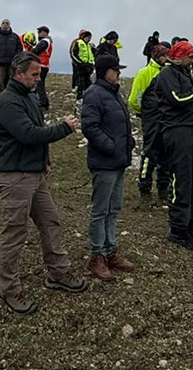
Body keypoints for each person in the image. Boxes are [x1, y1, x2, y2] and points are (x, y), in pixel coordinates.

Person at [0, 51, 87, 313]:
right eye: (33, 74)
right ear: (18, 73)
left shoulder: (29, 97)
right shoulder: (9, 102)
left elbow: (35, 133)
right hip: (16, 177)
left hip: (34, 174)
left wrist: (44, 160)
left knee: (51, 221)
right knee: (15, 232)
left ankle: (58, 273)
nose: (38, 78)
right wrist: (64, 128)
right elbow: (28, 134)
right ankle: (8, 289)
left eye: (38, 73)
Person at [81, 54, 137, 281]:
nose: (119, 73)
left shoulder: (114, 92)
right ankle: (97, 256)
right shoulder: (94, 94)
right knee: (100, 210)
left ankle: (110, 250)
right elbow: (90, 127)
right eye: (115, 70)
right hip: (105, 162)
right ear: (106, 71)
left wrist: (127, 144)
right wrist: (111, 147)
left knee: (113, 209)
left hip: (118, 161)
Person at [154, 40, 193, 249]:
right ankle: (177, 228)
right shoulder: (167, 75)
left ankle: (190, 221)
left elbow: (192, 101)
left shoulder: (186, 74)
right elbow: (177, 100)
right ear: (179, 56)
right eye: (190, 56)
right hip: (177, 131)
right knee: (182, 179)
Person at [129, 41, 172, 207]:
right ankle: (145, 190)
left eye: (167, 55)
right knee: (150, 154)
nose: (166, 58)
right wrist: (145, 111)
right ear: (156, 56)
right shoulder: (145, 73)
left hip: (166, 119)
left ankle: (163, 189)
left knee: (166, 155)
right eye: (163, 55)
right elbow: (134, 99)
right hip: (152, 119)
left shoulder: (168, 72)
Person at [0, 19, 22, 95]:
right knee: (0, 83)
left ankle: (11, 97)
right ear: (0, 24)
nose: (5, 24)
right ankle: (0, 99)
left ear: (9, 25)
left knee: (12, 82)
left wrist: (16, 58)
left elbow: (19, 48)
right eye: (3, 23)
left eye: (7, 23)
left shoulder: (15, 37)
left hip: (12, 64)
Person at [25, 26, 53, 111]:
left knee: (39, 85)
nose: (38, 34)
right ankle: (41, 102)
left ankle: (43, 103)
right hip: (44, 65)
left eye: (40, 32)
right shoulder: (47, 41)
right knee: (39, 84)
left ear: (45, 33)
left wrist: (29, 49)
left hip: (41, 65)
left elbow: (36, 51)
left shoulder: (44, 41)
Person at [70, 30, 95, 101]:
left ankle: (88, 98)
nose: (89, 39)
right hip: (81, 67)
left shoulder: (90, 45)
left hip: (89, 67)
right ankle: (79, 98)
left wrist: (92, 64)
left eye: (90, 37)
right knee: (81, 83)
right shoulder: (78, 43)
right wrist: (79, 63)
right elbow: (73, 54)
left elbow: (93, 54)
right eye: (88, 37)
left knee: (89, 84)